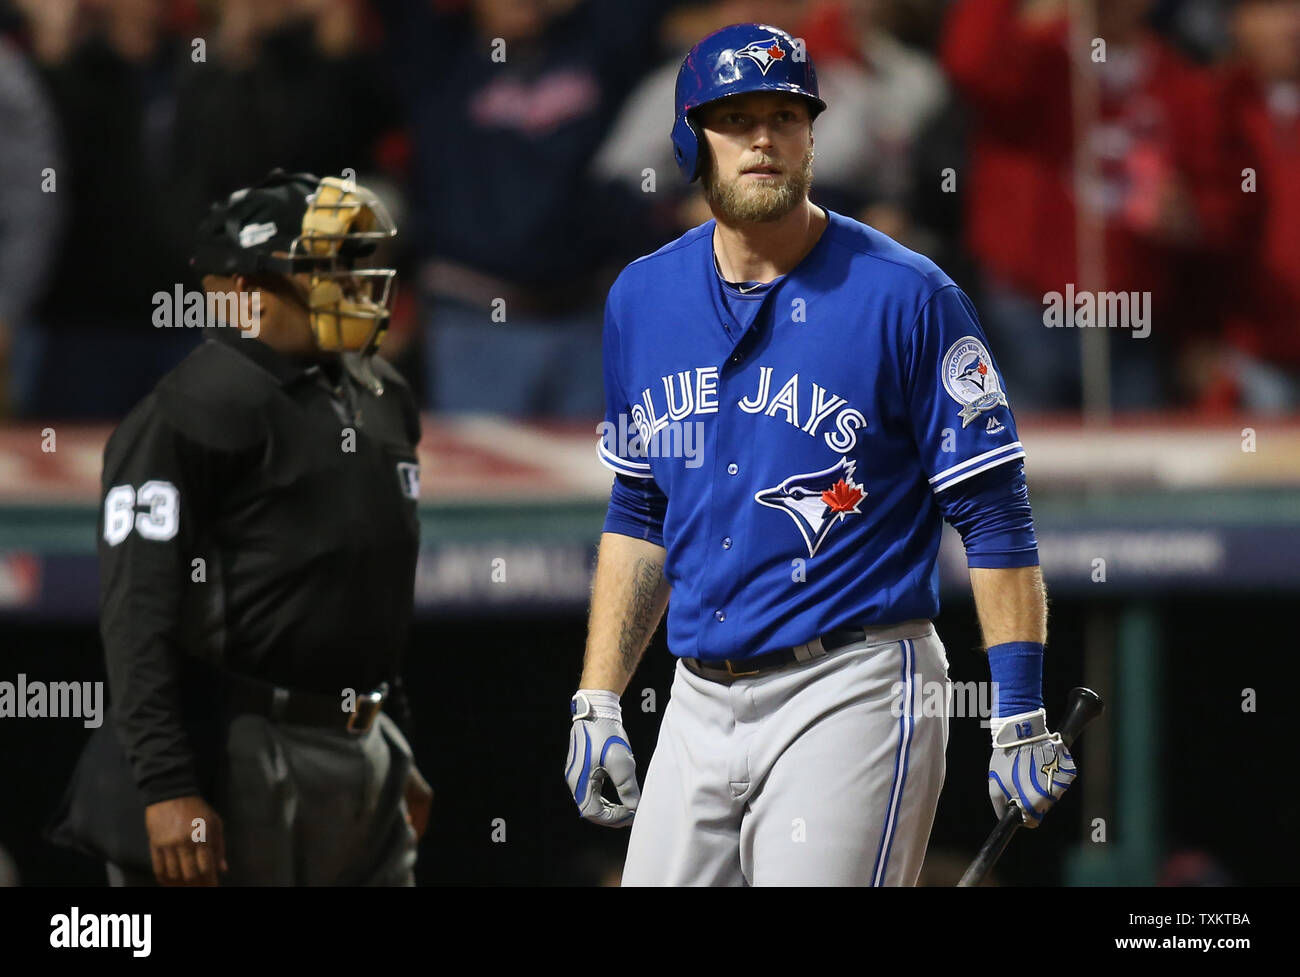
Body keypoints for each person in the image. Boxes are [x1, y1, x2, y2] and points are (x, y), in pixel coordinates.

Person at [564, 23, 1076, 886]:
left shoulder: (909, 294)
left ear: (812, 133)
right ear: (692, 140)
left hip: (854, 682)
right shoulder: (641, 297)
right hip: (696, 693)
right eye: (736, 119)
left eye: (784, 116)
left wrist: (1019, 708)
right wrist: (599, 695)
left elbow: (994, 513)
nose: (763, 139)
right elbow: (640, 507)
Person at [48, 170, 433, 885]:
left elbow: (366, 586)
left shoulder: (383, 393)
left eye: (353, 262)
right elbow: (137, 613)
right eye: (321, 266)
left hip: (361, 744)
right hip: (240, 747)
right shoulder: (187, 411)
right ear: (237, 287)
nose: (351, 282)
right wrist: (166, 787)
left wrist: (390, 735)